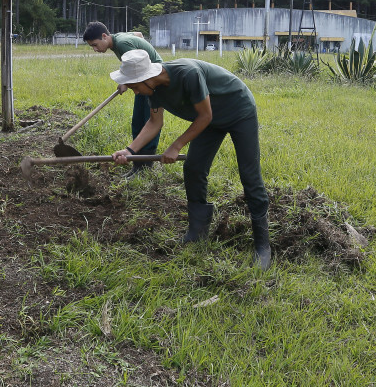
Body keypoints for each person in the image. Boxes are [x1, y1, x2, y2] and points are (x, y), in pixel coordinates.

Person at [109, 49, 271, 270]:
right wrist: (129, 150)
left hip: (238, 110)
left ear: (146, 78)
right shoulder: (153, 89)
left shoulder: (188, 74)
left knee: (249, 174)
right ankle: (197, 231)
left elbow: (205, 115)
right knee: (194, 167)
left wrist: (176, 145)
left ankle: (262, 246)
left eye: (135, 86)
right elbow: (154, 124)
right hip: (209, 120)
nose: (136, 92)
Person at [82, 21, 162, 178]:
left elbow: (137, 65)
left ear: (105, 36)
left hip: (152, 80)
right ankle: (137, 163)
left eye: (95, 44)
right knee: (137, 120)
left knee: (147, 120)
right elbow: (138, 35)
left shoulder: (123, 44)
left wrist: (125, 82)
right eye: (92, 46)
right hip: (143, 80)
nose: (95, 49)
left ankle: (145, 167)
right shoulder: (118, 39)